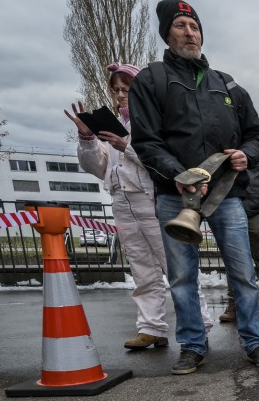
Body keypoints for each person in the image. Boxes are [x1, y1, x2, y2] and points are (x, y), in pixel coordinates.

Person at [129, 0, 259, 376]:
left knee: (242, 273)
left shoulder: (226, 85)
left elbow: (257, 136)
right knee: (181, 277)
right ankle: (193, 345)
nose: (189, 32)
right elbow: (145, 141)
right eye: (181, 25)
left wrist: (246, 154)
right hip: (174, 196)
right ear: (167, 32)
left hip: (227, 196)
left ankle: (255, 341)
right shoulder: (151, 80)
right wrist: (179, 174)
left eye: (194, 26)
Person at [66, 63, 187, 351]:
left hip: (152, 199)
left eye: (127, 89)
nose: (121, 95)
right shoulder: (113, 126)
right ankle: (151, 327)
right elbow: (97, 167)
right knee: (142, 269)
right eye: (116, 89)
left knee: (177, 267)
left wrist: (127, 147)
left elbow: (166, 163)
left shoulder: (158, 122)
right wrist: (88, 138)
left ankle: (197, 327)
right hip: (122, 200)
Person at [220, 141, 259, 324]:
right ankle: (234, 303)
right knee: (233, 261)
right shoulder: (221, 140)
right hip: (230, 208)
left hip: (257, 211)